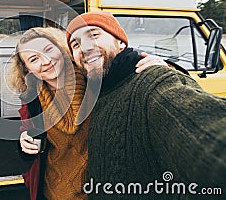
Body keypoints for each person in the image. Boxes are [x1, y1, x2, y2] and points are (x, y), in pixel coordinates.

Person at [66, 11, 226, 199]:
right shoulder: (95, 91)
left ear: (121, 42)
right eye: (76, 44)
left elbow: (206, 138)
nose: (85, 47)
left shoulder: (152, 81)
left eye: (93, 35)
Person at [10, 27, 168, 200]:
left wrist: (160, 68)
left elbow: (124, 62)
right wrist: (24, 145)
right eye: (34, 59)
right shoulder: (32, 99)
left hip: (100, 191)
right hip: (52, 191)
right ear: (28, 70)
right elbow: (30, 151)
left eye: (49, 50)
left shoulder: (96, 77)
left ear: (62, 49)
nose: (46, 61)